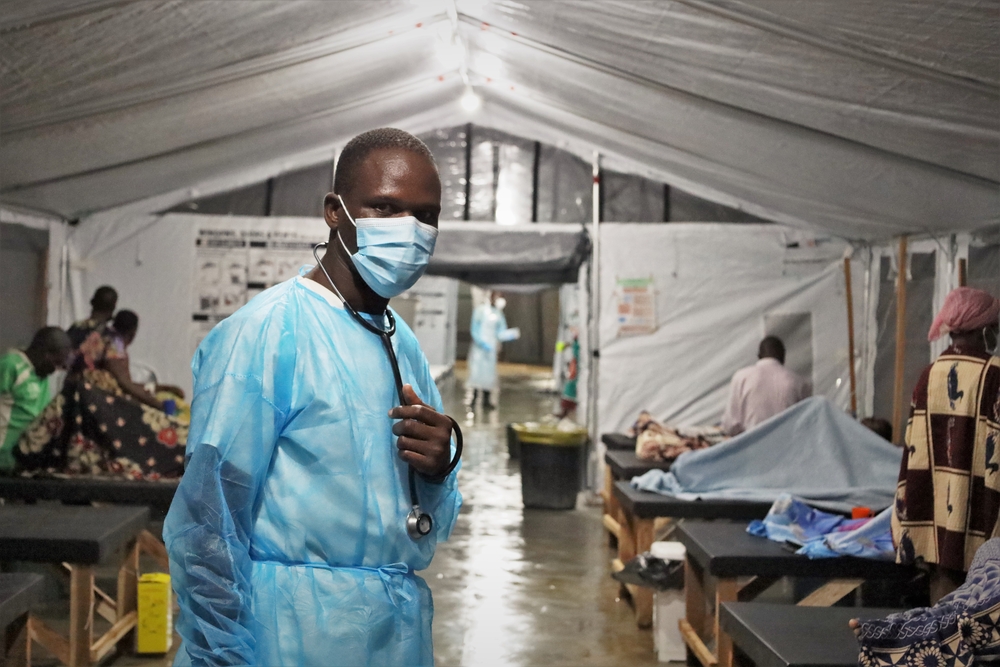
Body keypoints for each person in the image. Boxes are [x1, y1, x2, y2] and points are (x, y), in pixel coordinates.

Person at [163, 128, 462, 667]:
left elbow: (423, 515)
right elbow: (209, 521)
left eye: (426, 216)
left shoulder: (399, 340)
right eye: (386, 208)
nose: (410, 231)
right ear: (334, 211)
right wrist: (221, 653)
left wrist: (439, 467)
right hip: (287, 635)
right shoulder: (268, 333)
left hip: (393, 634)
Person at [891, 286, 999, 603]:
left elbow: (914, 448)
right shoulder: (994, 375)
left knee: (943, 597)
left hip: (935, 510)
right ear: (984, 328)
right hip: (982, 507)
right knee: (984, 602)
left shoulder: (929, 375)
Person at [16, 310, 187, 479]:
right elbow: (125, 383)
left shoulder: (80, 328)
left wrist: (160, 388)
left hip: (72, 392)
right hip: (95, 401)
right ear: (133, 334)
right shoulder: (114, 342)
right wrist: (159, 406)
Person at [0, 327, 72, 472]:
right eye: (56, 363)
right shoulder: (10, 365)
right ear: (44, 353)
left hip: (20, 458)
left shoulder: (41, 374)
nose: (55, 370)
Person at [721, 335, 811, 436]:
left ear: (759, 356)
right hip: (787, 445)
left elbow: (731, 425)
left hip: (751, 445)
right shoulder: (799, 382)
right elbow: (806, 422)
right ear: (783, 357)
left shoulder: (741, 377)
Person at [466, 291, 508, 410]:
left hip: (491, 349)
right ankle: (474, 398)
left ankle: (486, 399)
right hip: (479, 348)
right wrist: (481, 342)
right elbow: (474, 329)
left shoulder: (498, 313)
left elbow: (501, 330)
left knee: (489, 374)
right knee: (476, 373)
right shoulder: (480, 311)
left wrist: (508, 335)